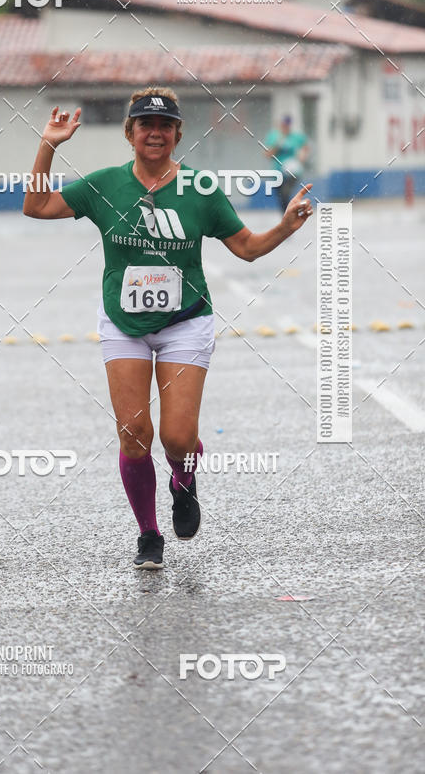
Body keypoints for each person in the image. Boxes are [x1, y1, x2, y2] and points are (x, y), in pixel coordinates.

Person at [24, 87, 312, 570]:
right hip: (123, 323)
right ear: (130, 133)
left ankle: (184, 480)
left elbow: (246, 248)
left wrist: (284, 226)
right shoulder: (104, 185)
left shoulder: (200, 190)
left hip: (186, 322)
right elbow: (36, 207)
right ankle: (148, 535)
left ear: (178, 134)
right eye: (145, 125)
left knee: (178, 439)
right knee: (134, 433)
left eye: (164, 126)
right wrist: (48, 145)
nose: (154, 133)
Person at [264, 114, 310, 213]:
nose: (285, 127)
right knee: (281, 197)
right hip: (277, 172)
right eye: (283, 124)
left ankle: (291, 213)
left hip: (292, 172)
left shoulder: (296, 137)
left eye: (287, 125)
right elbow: (267, 155)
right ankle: (286, 216)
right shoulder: (273, 136)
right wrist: (277, 145)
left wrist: (302, 155)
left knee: (286, 193)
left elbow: (305, 147)